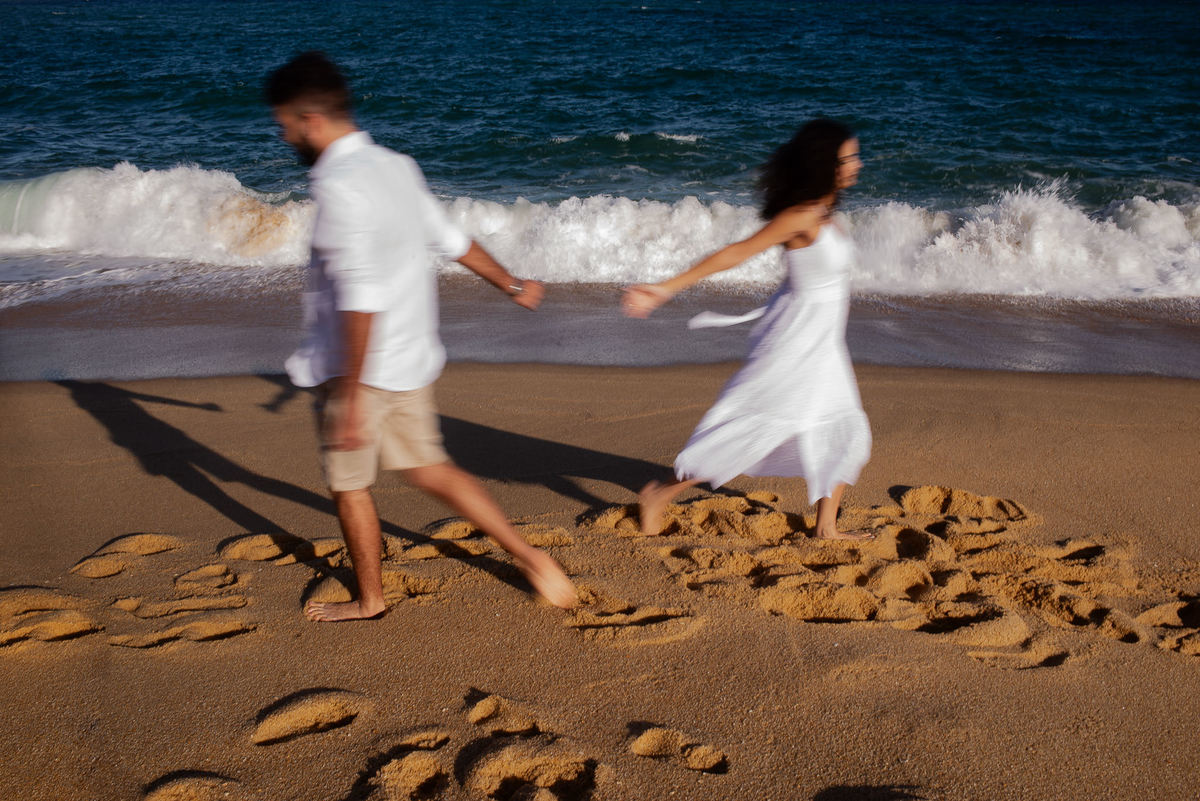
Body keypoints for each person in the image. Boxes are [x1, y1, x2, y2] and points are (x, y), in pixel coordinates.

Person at [265, 51, 576, 620]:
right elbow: (450, 239)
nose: (284, 136)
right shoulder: (395, 166)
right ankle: (529, 555)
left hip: (355, 367)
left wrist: (354, 396)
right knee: (431, 469)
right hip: (410, 355)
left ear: (309, 119)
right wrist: (511, 283)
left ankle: (370, 599)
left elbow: (360, 295)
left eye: (284, 124)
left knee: (350, 486)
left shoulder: (336, 184)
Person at [622, 119, 874, 541]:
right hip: (793, 346)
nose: (857, 165)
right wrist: (664, 289)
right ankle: (659, 494)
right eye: (849, 158)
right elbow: (735, 253)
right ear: (825, 163)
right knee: (752, 428)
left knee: (843, 426)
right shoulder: (803, 217)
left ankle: (826, 527)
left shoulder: (829, 216)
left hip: (826, 347)